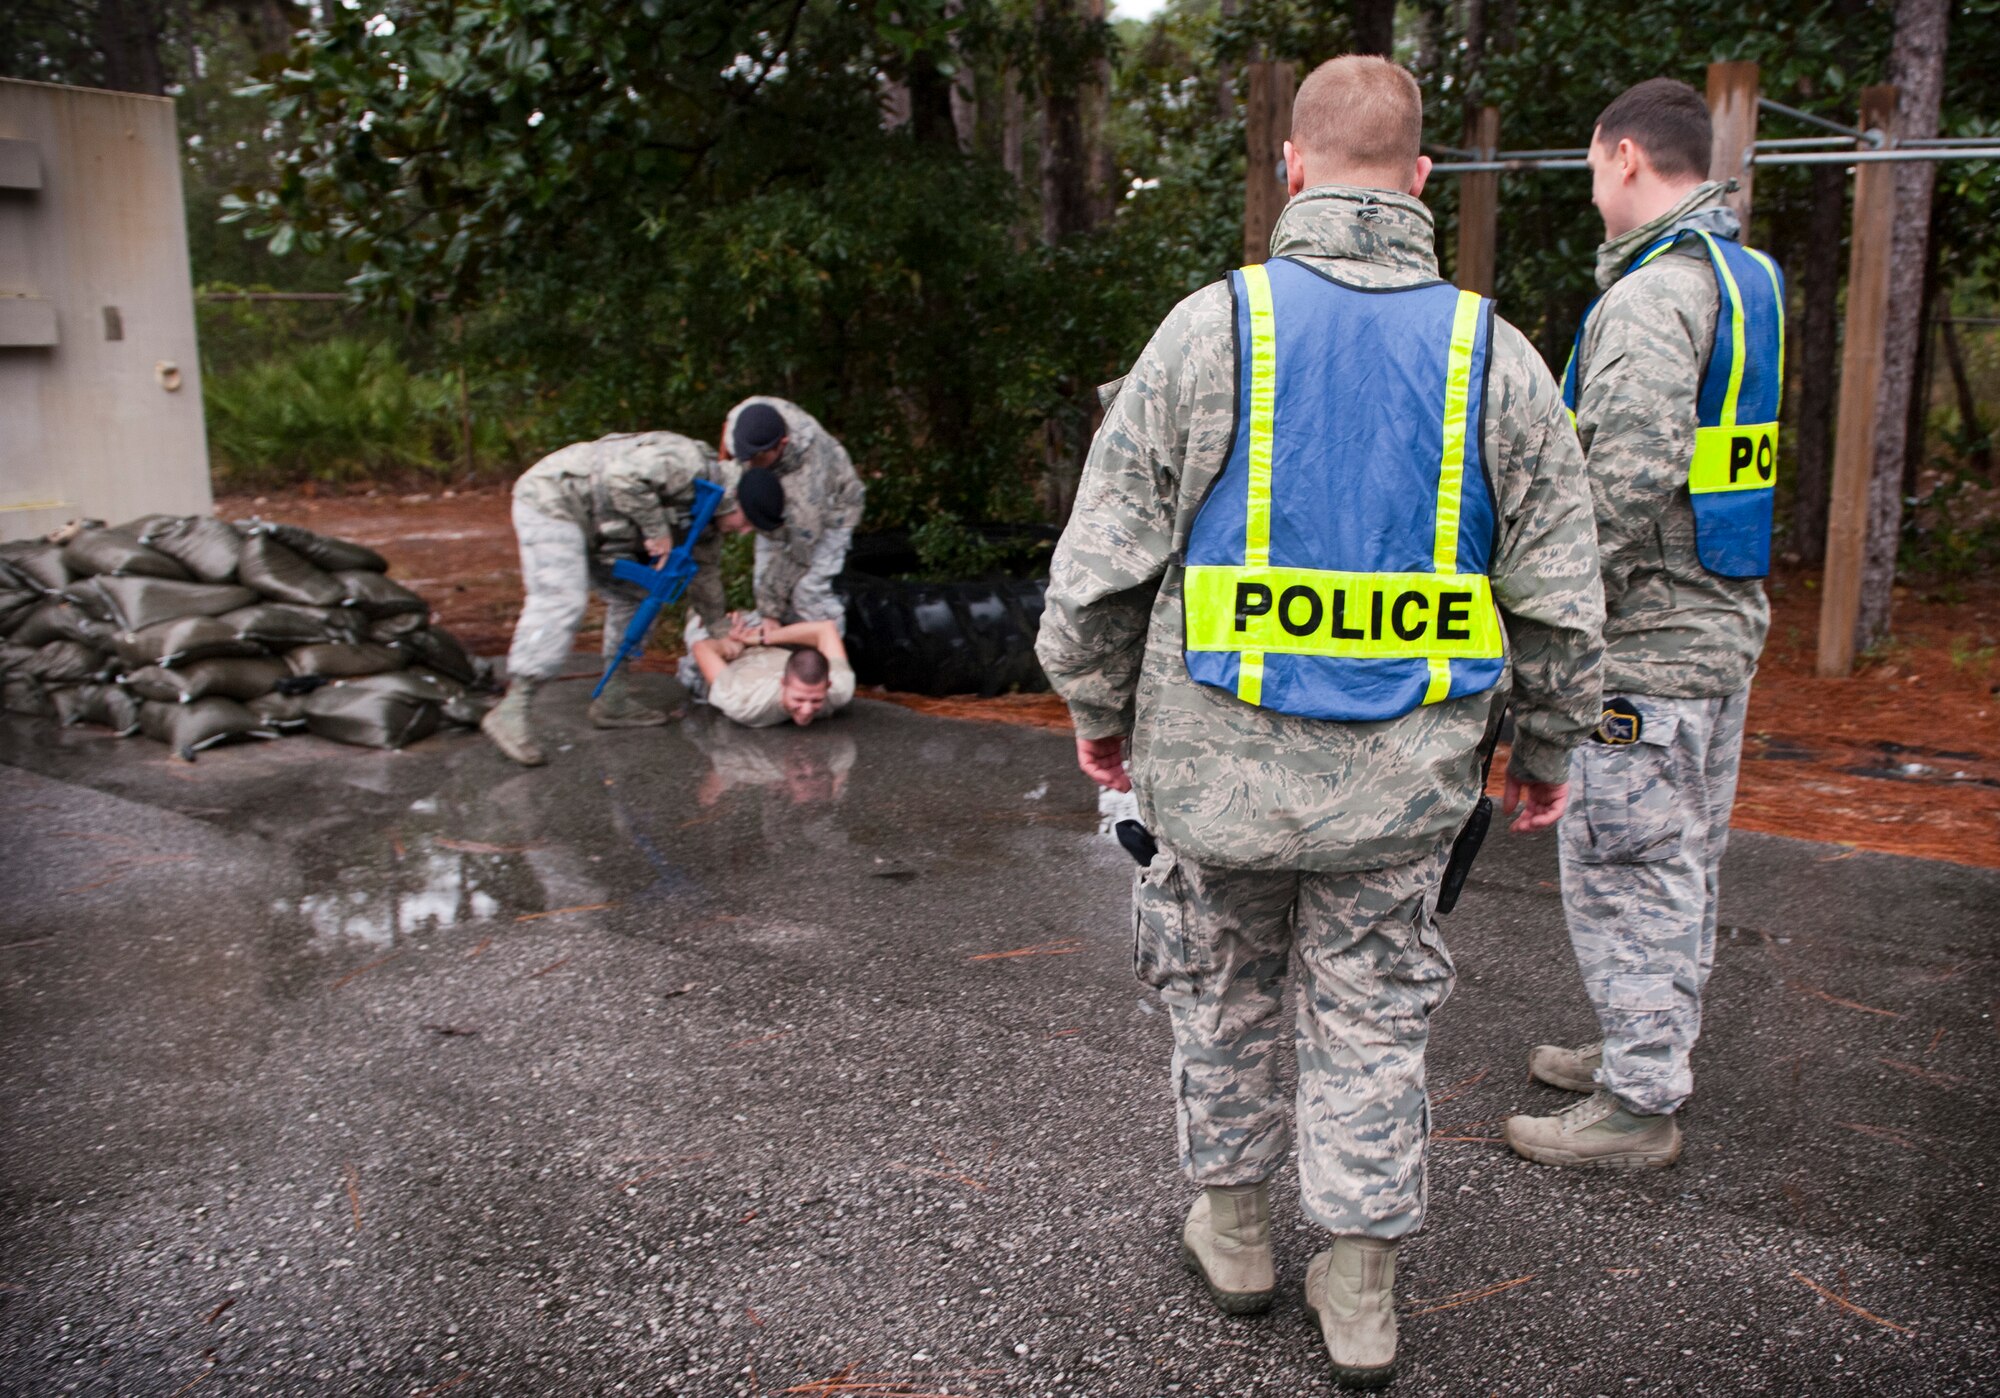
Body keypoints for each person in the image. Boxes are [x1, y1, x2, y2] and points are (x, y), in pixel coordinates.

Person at [1035, 55, 1606, 1388]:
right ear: (1417, 179)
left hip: (1212, 772)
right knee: (1374, 1017)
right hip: (1405, 791)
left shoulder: (1207, 332)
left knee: (1219, 987)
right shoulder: (1495, 356)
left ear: (1291, 166)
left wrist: (1098, 715)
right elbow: (1565, 601)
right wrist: (1549, 747)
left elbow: (1098, 569)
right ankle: (1359, 1285)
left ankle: (1233, 1232)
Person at [1502, 79, 1785, 1172]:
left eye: (1587, 167)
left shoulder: (1652, 298)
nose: (1589, 190)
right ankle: (1644, 1043)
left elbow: (1615, 488)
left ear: (1623, 157)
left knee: (1629, 863)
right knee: (1680, 860)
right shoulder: (1742, 276)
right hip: (1718, 628)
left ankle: (1636, 1099)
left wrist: (1546, 620)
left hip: (1648, 650)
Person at [482, 431, 786, 766]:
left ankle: (612, 698)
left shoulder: (708, 520)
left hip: (599, 529)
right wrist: (657, 531)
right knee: (561, 600)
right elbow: (622, 477)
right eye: (748, 523)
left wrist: (719, 630)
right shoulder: (688, 463)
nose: (744, 532)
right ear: (737, 501)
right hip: (553, 501)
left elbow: (706, 577)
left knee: (638, 596)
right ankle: (514, 707)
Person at [720, 398, 866, 629]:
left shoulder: (809, 479)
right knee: (763, 581)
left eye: (758, 459)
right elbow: (730, 444)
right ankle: (779, 646)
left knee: (807, 593)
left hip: (831, 512)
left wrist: (769, 610)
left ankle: (826, 654)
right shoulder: (746, 417)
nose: (751, 464)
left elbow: (798, 553)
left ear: (783, 443)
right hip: (769, 497)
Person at [689, 616, 855, 730]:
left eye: (816, 700)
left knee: (747, 620)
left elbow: (825, 629)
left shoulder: (841, 688)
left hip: (756, 641)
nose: (806, 710)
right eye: (799, 699)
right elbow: (701, 648)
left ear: (828, 685)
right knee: (701, 622)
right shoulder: (744, 702)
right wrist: (729, 646)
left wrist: (763, 638)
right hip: (730, 650)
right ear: (782, 683)